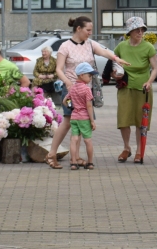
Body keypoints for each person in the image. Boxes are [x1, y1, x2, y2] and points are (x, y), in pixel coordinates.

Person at [45, 16, 129, 169]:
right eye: (88, 30)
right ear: (78, 29)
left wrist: (117, 59)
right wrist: (68, 83)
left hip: (87, 90)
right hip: (71, 90)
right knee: (68, 121)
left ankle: (75, 158)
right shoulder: (65, 46)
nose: (90, 33)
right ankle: (52, 153)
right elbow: (58, 69)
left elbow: (104, 52)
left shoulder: (90, 44)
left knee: (80, 122)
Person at [115, 16, 157, 164]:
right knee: (124, 119)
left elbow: (155, 69)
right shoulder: (121, 46)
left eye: (142, 30)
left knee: (141, 121)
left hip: (142, 88)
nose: (140, 32)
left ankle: (140, 151)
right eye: (137, 30)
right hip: (125, 87)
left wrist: (149, 81)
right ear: (130, 32)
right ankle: (126, 148)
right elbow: (113, 63)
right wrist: (115, 74)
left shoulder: (148, 47)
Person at [64, 62, 96, 170]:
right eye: (89, 75)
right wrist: (92, 120)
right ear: (82, 75)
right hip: (84, 118)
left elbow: (65, 100)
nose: (90, 78)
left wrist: (71, 107)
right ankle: (90, 162)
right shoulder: (87, 89)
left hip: (74, 117)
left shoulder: (72, 88)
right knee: (88, 140)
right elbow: (89, 105)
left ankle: (73, 162)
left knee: (74, 139)